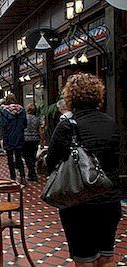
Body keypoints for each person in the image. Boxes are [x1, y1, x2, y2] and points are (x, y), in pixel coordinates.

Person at [46, 73, 122, 267]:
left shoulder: (67, 126)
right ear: (98, 95)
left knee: (85, 259)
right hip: (110, 199)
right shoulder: (110, 123)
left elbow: (51, 162)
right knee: (107, 256)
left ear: (70, 97)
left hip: (78, 201)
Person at [0, 94, 27, 182]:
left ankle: (13, 177)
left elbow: (2, 124)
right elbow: (25, 124)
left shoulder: (3, 111)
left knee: (10, 158)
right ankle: (22, 176)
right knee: (19, 157)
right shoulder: (22, 110)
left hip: (8, 136)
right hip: (19, 136)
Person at [22, 103, 41, 182]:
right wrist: (42, 141)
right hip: (35, 139)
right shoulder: (37, 119)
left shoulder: (24, 118)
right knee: (33, 157)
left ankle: (33, 174)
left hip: (25, 139)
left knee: (27, 157)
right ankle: (31, 174)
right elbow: (40, 130)